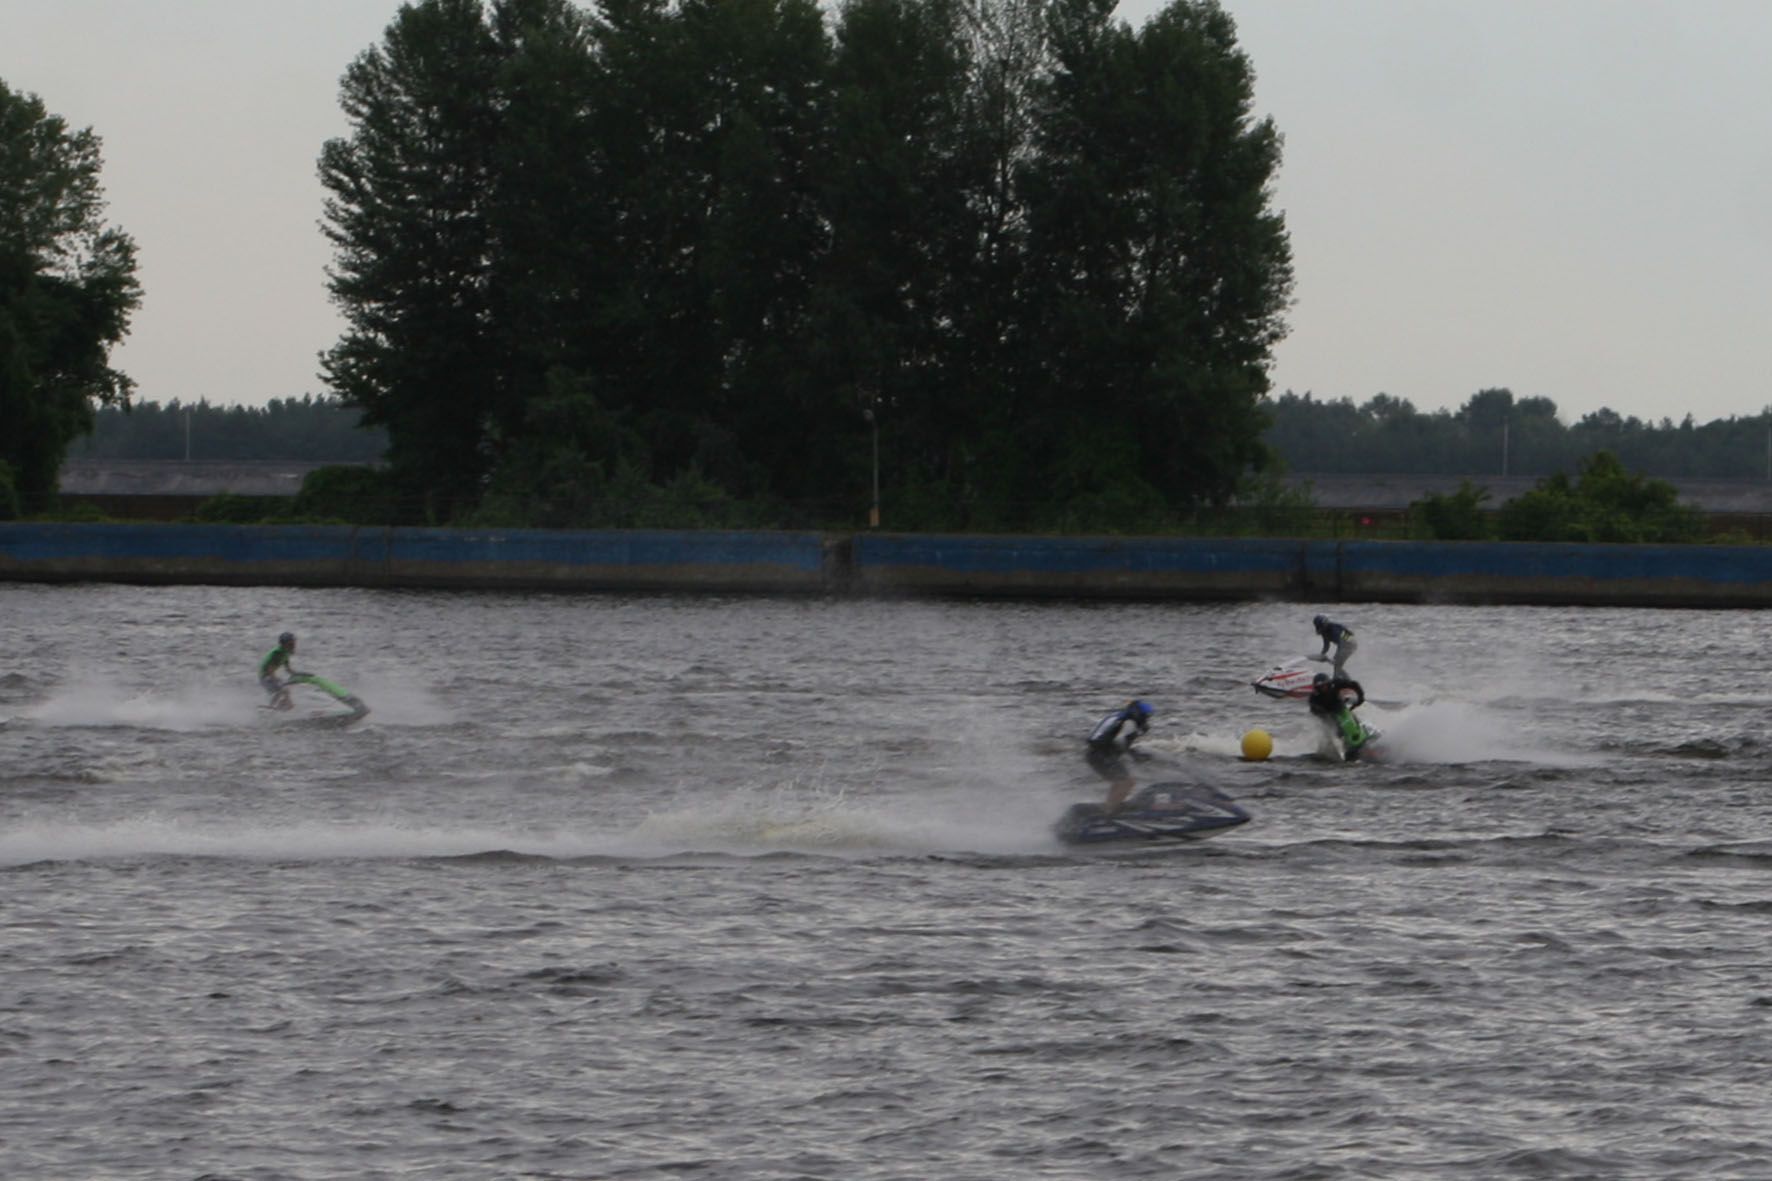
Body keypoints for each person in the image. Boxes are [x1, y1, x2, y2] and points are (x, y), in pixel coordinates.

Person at [1085, 699, 1154, 812]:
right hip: (1100, 755)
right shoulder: (1128, 722)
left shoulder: (1117, 716)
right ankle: (1109, 811)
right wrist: (1134, 755)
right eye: (1144, 716)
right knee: (1127, 782)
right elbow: (1120, 741)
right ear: (1137, 714)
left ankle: (1110, 805)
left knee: (1119, 781)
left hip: (1094, 754)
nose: (1146, 720)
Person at [1306, 671, 1368, 756]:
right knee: (1333, 734)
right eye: (1320, 687)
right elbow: (1314, 710)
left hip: (1341, 710)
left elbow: (1354, 684)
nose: (1323, 688)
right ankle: (1341, 751)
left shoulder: (1336, 684)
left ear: (1328, 683)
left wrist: (1360, 697)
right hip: (1327, 717)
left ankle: (1362, 739)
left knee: (1350, 726)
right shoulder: (1314, 697)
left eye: (1325, 685)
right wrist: (1325, 715)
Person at [259, 631, 301, 709]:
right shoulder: (277, 653)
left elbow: (288, 669)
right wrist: (277, 681)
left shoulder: (285, 653)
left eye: (294, 643)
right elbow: (270, 670)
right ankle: (272, 708)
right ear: (284, 644)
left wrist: (300, 675)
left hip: (269, 676)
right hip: (265, 677)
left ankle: (279, 707)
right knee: (282, 690)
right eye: (290, 644)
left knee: (285, 691)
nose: (293, 646)